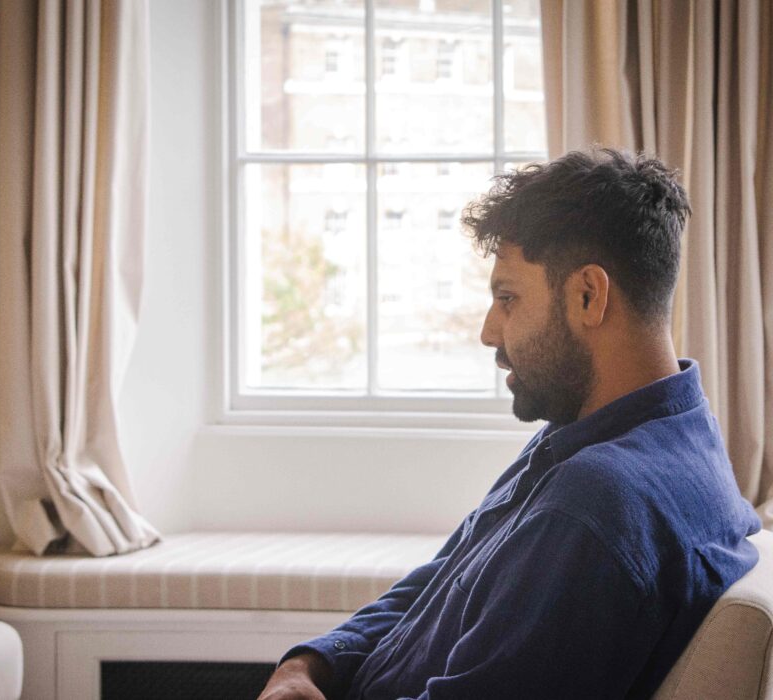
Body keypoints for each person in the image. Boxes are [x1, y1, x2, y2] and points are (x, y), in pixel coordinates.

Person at [258, 148, 761, 700]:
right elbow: (443, 578)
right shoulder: (641, 433)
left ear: (588, 296)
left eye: (508, 298)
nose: (489, 333)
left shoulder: (597, 503)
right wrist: (310, 665)